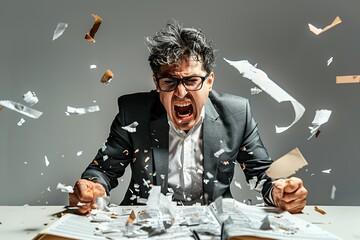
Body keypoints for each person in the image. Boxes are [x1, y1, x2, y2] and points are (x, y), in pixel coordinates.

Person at [69, 19, 307, 215]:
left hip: (215, 228)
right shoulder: (133, 113)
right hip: (147, 228)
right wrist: (92, 187)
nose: (181, 92)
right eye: (169, 81)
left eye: (192, 80)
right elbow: (103, 171)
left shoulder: (237, 114)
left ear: (209, 82)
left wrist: (280, 191)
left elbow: (262, 174)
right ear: (157, 84)